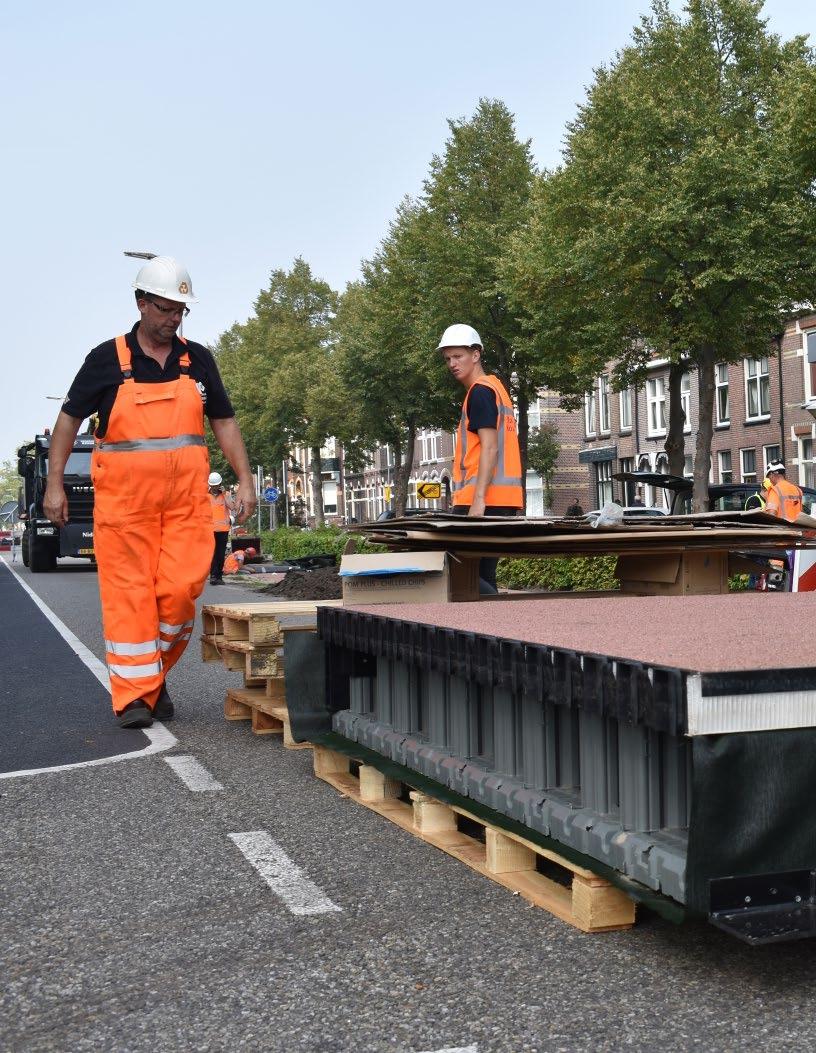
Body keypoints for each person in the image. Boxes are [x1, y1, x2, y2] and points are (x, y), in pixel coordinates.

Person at [43, 256, 257, 729]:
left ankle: (151, 680)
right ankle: (135, 698)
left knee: (181, 592)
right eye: (164, 308)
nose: (173, 318)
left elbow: (223, 420)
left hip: (184, 505)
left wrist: (245, 480)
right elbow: (67, 421)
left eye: (181, 310)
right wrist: (53, 484)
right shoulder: (106, 359)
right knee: (130, 598)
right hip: (124, 508)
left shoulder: (197, 358)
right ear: (141, 303)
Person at [438, 323, 523, 593]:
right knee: (482, 573)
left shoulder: (480, 392)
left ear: (476, 355)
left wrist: (478, 501)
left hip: (482, 501)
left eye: (458, 356)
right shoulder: (496, 388)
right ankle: (493, 628)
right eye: (448, 358)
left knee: (459, 571)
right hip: (502, 501)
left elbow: (489, 448)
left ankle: (493, 625)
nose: (452, 363)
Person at [208, 471, 235, 584]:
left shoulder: (226, 495)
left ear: (220, 485)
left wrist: (224, 495)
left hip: (223, 530)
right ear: (210, 485)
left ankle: (218, 576)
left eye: (217, 485)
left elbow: (232, 507)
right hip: (209, 530)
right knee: (212, 554)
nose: (215, 488)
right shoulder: (205, 495)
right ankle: (213, 576)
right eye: (213, 486)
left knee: (220, 554)